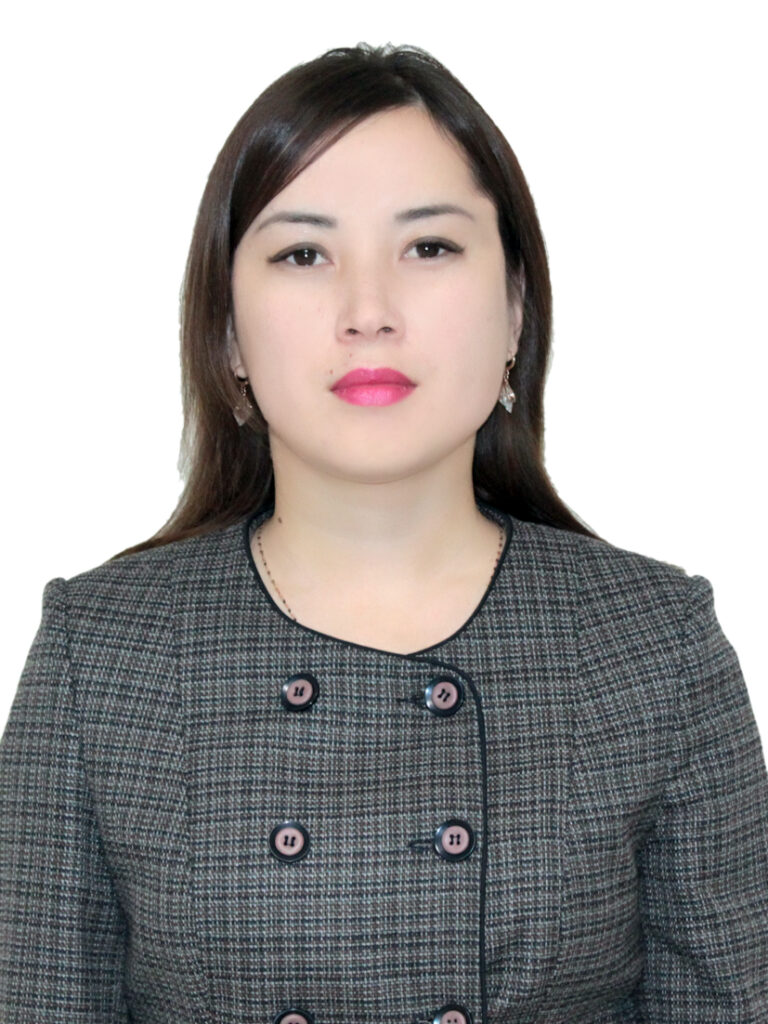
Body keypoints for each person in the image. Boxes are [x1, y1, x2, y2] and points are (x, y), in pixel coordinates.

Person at [1, 41, 766, 1024]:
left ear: (516, 312)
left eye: (429, 247)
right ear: (229, 337)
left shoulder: (652, 644)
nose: (368, 312)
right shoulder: (105, 654)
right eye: (303, 254)